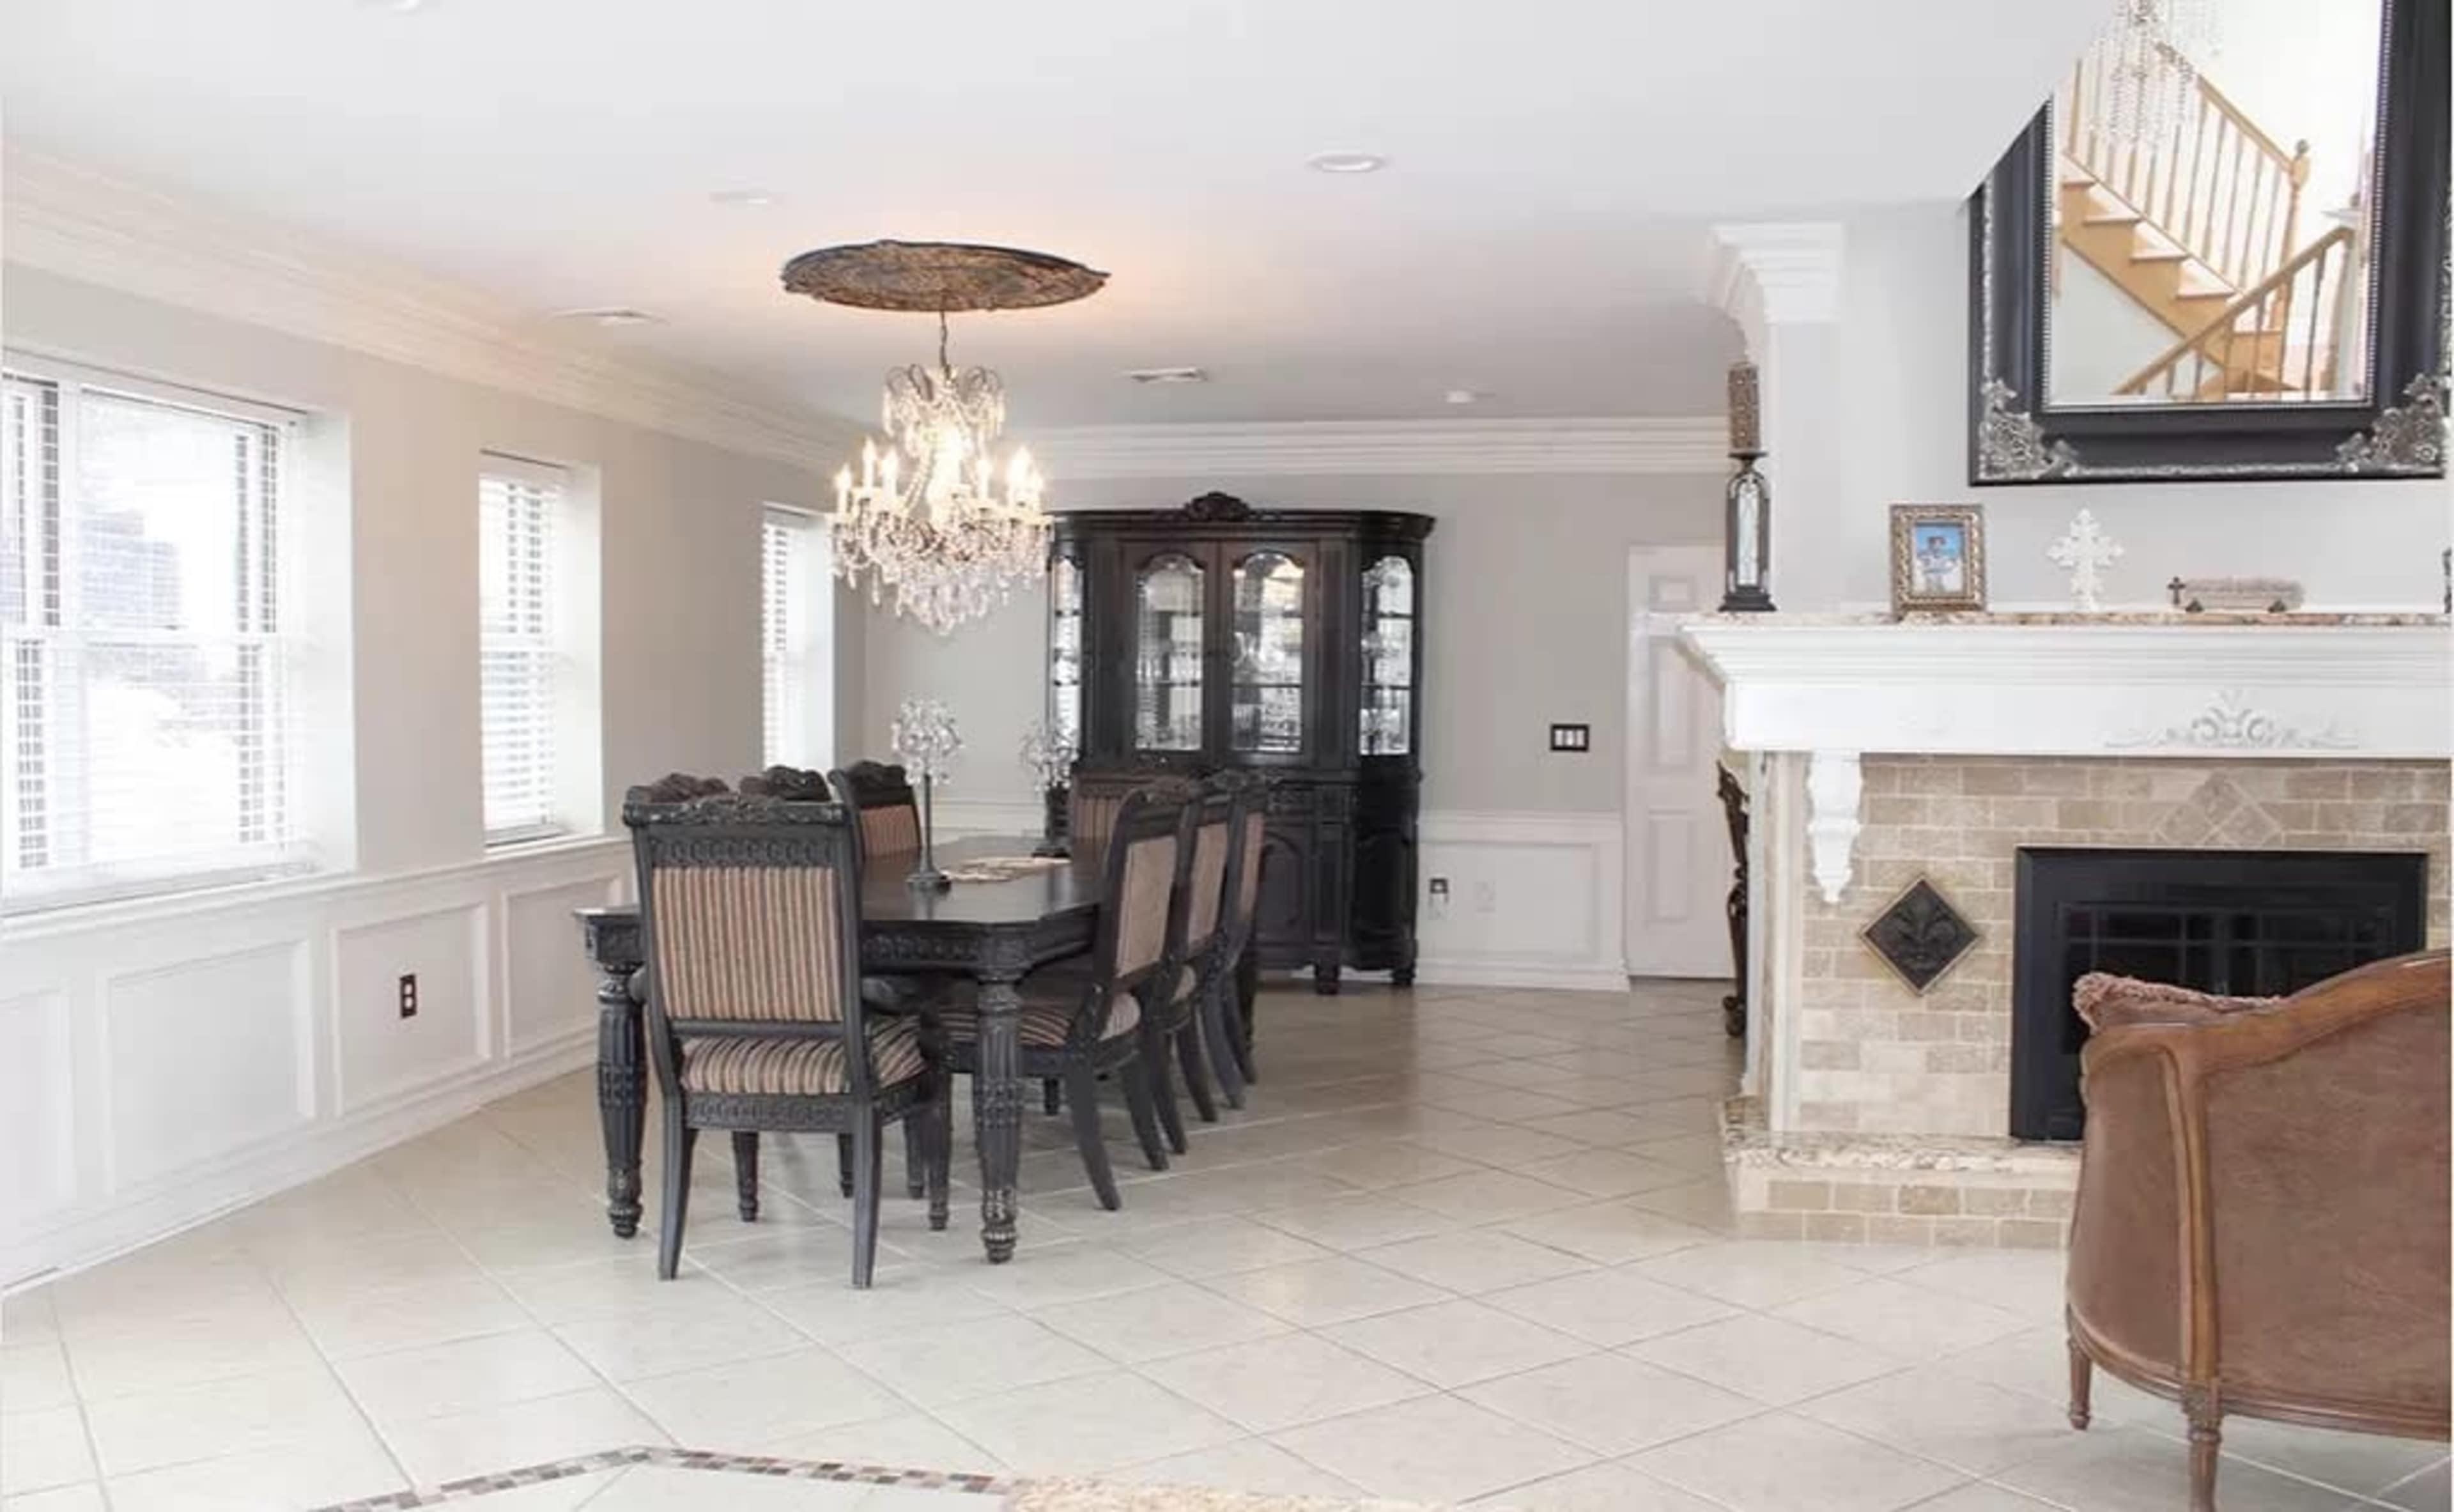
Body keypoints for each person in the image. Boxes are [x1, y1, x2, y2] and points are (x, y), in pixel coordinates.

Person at [1915, 528, 1963, 595]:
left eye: (1940, 544)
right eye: (1935, 543)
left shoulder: (1945, 556)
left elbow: (1954, 563)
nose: (1938, 546)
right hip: (1929, 580)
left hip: (1940, 580)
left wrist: (1953, 565)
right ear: (1930, 545)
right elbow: (1920, 566)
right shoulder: (1924, 555)